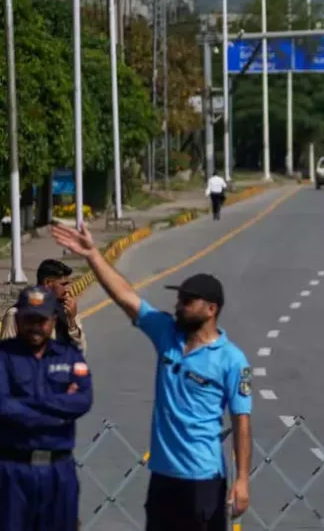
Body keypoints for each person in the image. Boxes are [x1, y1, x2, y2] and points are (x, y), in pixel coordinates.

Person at [49, 222, 253, 531]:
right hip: (162, 477)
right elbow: (126, 297)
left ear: (211, 309)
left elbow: (241, 422)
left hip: (203, 480)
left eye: (187, 302)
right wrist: (92, 254)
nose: (179, 306)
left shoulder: (231, 359)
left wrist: (242, 481)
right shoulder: (166, 333)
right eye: (179, 299)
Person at [0, 285, 94, 530]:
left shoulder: (69, 356)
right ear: (17, 320)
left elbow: (83, 400)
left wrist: (28, 403)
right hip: (13, 470)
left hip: (58, 471)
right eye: (28, 319)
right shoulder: (3, 356)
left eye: (41, 320)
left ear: (53, 320)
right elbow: (3, 406)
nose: (35, 326)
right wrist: (58, 409)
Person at [1, 259, 86, 353]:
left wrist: (72, 322)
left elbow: (81, 351)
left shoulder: (67, 311)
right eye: (63, 284)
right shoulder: (16, 314)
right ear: (47, 283)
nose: (68, 289)